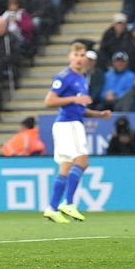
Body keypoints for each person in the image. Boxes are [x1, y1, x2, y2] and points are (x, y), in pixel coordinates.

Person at [42, 42, 111, 223]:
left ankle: (52, 208)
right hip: (68, 124)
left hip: (71, 122)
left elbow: (79, 108)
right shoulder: (65, 76)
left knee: (65, 167)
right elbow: (49, 101)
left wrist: (98, 114)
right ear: (69, 57)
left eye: (82, 55)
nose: (80, 58)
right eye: (76, 55)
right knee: (82, 161)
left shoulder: (82, 78)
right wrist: (75, 98)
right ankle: (69, 203)